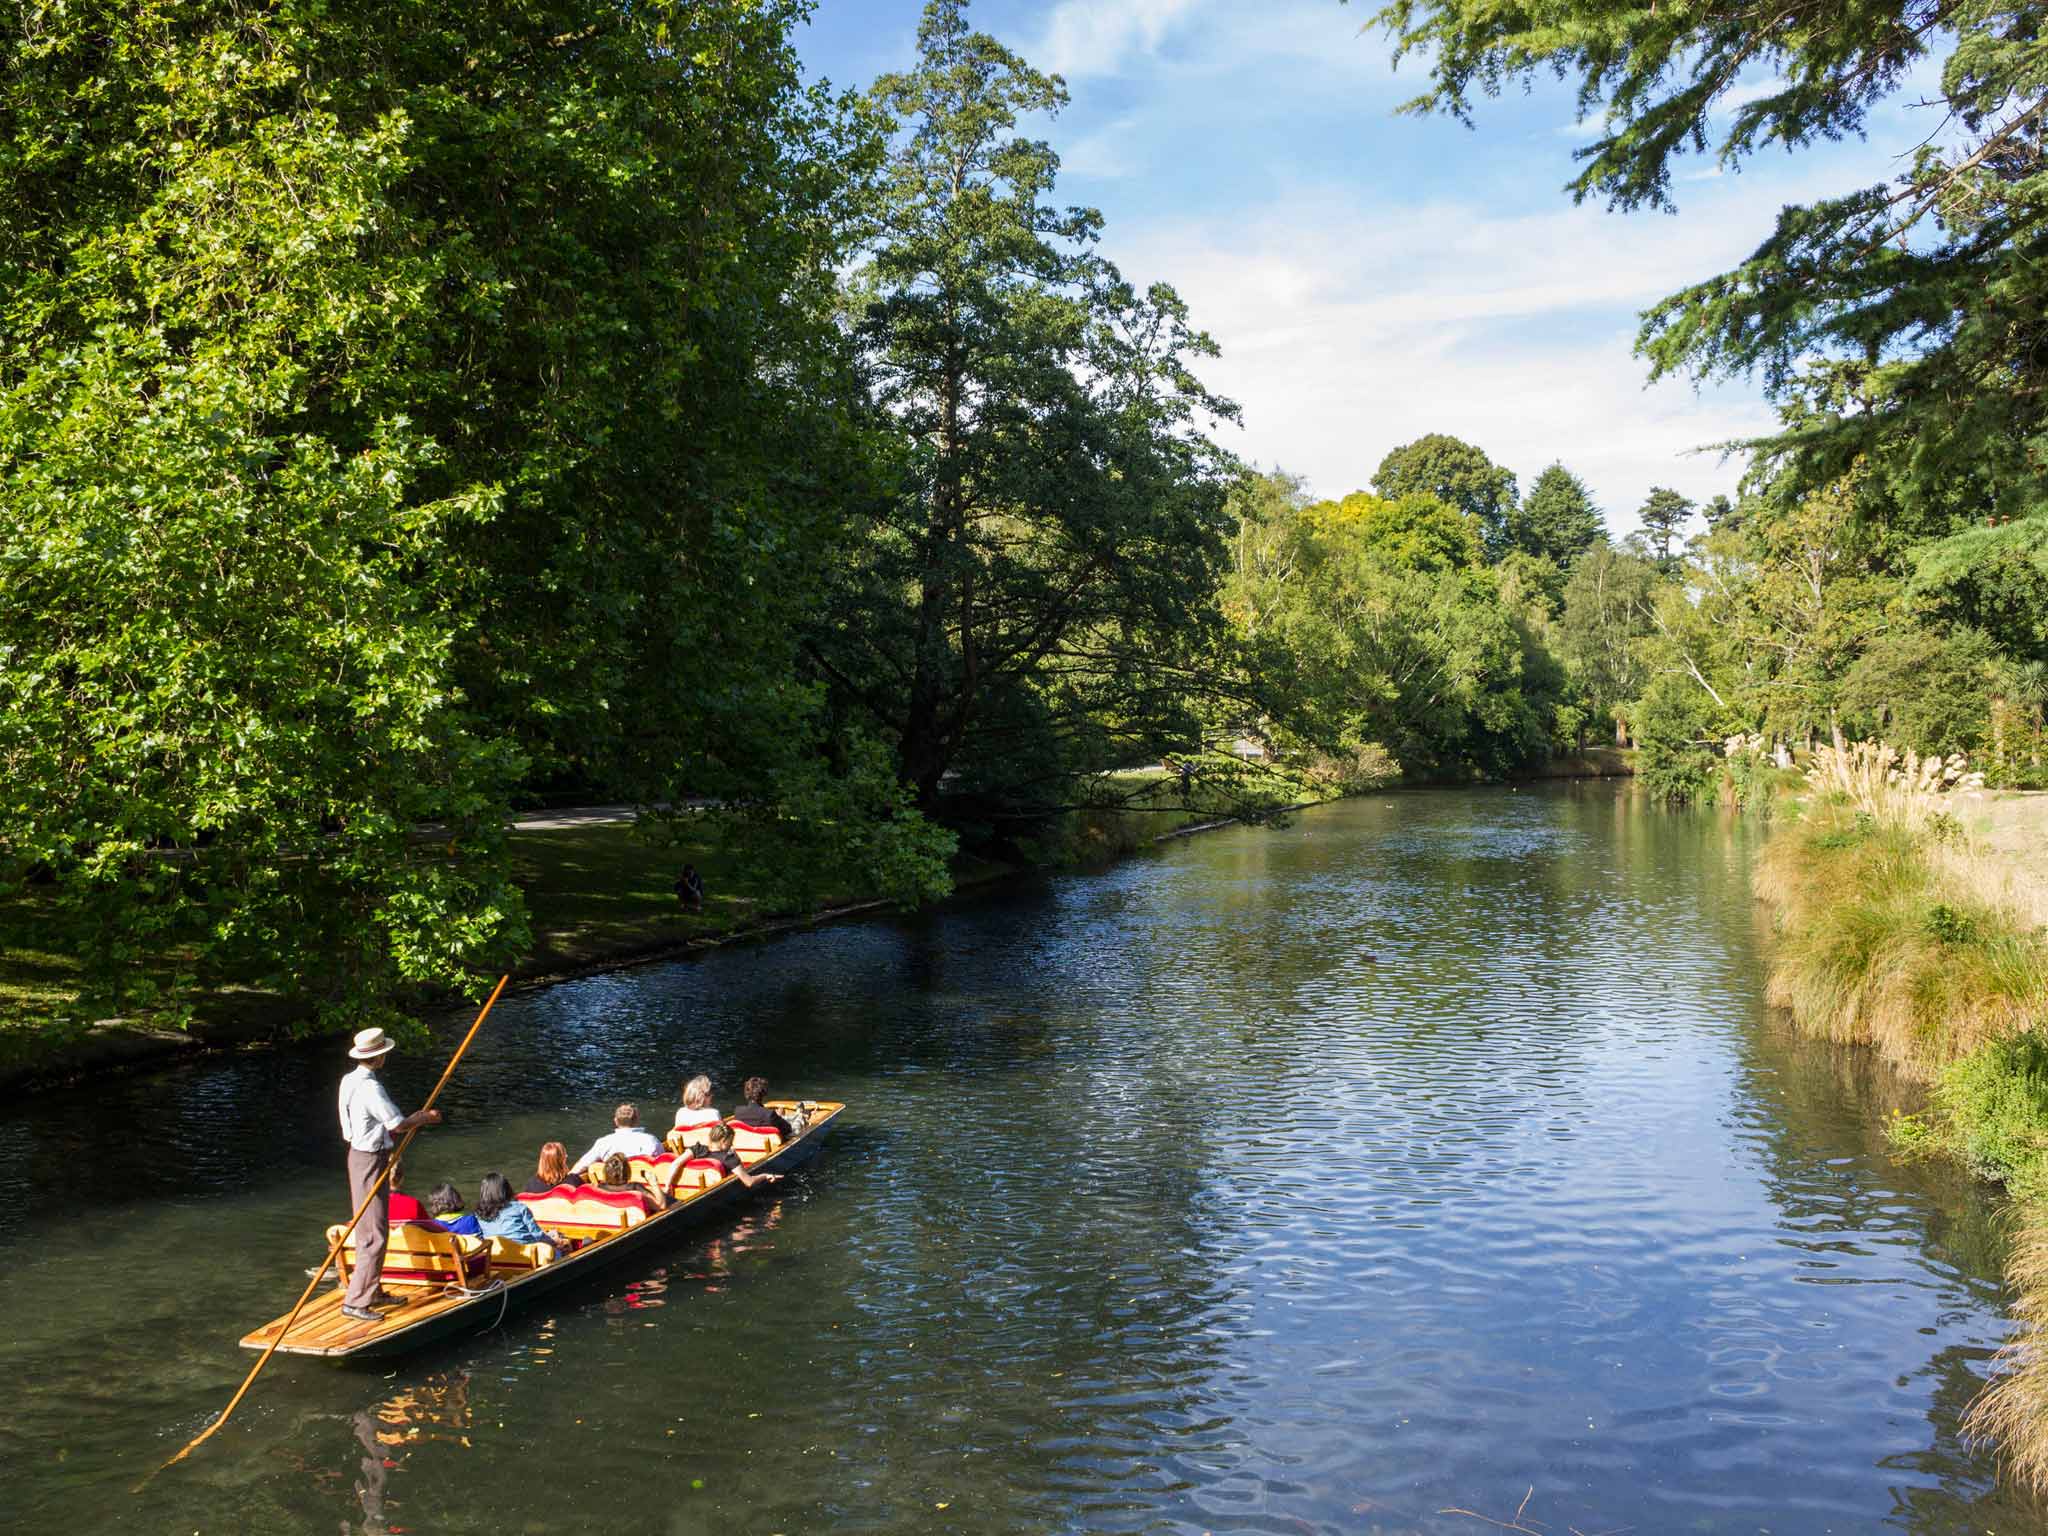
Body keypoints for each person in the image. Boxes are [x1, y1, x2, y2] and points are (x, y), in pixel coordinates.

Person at [337, 1027, 443, 1321]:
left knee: (371, 1227)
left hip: (360, 1156)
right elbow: (396, 1123)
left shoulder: (349, 1080)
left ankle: (373, 1290)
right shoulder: (370, 1088)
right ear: (380, 1056)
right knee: (374, 1234)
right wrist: (425, 1118)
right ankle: (356, 1302)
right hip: (369, 1159)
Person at [570, 1103, 661, 1174]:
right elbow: (662, 1164)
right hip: (643, 1189)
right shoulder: (650, 1141)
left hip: (612, 1188)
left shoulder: (604, 1142)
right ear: (636, 1120)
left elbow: (582, 1165)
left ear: (616, 1121)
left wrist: (568, 1177)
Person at [695, 1123, 784, 1191]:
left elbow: (680, 1161)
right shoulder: (729, 1158)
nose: (732, 1144)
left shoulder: (698, 1148)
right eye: (730, 1141)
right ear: (723, 1141)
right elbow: (749, 1182)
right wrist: (765, 1175)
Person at [475, 1172, 557, 1245]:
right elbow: (538, 1235)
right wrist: (555, 1241)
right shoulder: (519, 1208)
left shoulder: (480, 1214)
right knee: (558, 1247)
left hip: (496, 1255)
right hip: (525, 1255)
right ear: (506, 1189)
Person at [729, 1076, 794, 1139]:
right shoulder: (769, 1114)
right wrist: (780, 1116)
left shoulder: (738, 1112)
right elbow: (788, 1129)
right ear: (764, 1094)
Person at [671, 1074, 722, 1149]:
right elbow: (721, 1140)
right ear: (701, 1097)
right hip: (709, 1156)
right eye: (709, 1093)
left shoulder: (680, 1113)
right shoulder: (713, 1114)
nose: (712, 1095)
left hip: (686, 1154)